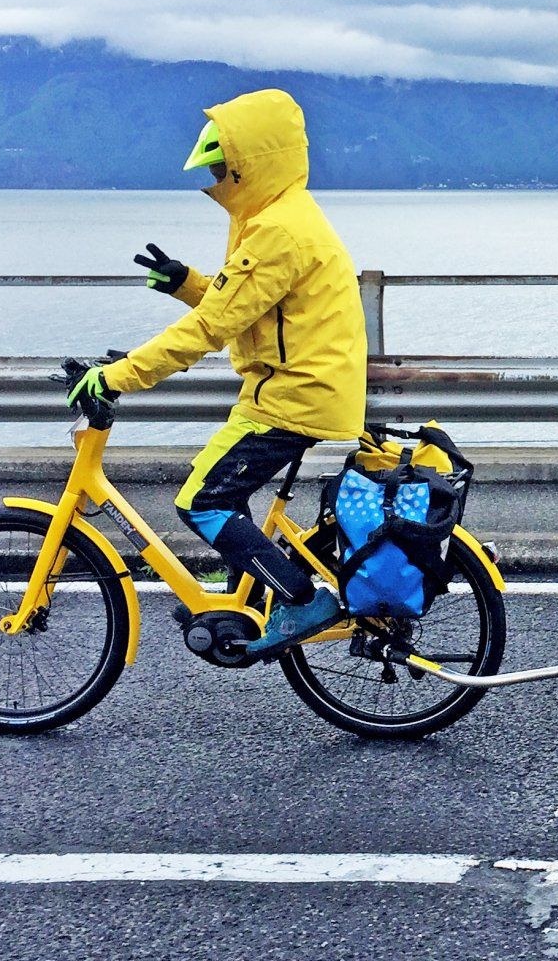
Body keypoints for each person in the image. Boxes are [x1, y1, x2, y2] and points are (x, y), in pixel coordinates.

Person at [66, 88, 367, 656]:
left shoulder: (278, 231)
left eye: (219, 166)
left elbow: (211, 328)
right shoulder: (277, 217)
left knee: (202, 502)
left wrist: (119, 376)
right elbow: (242, 307)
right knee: (222, 492)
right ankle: (247, 603)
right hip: (290, 391)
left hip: (292, 399)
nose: (213, 178)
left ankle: (301, 601)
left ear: (247, 163)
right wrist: (187, 282)